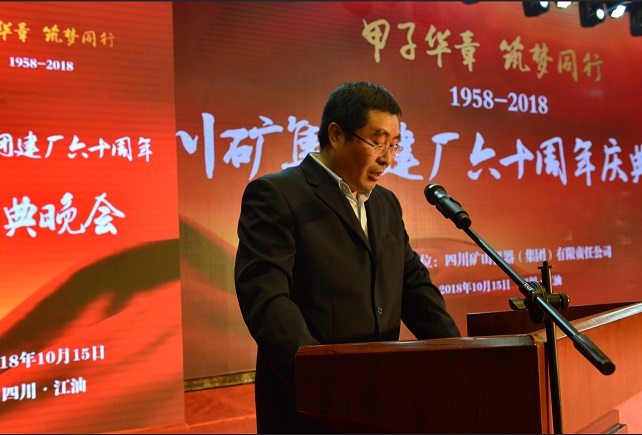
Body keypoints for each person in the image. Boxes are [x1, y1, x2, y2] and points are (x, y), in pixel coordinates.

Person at [234, 81, 461, 434]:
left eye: (394, 145)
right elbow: (266, 300)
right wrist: (326, 379)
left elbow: (413, 287)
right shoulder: (277, 195)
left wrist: (460, 355)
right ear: (336, 135)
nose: (387, 158)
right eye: (377, 142)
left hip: (382, 397)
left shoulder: (386, 204)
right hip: (312, 406)